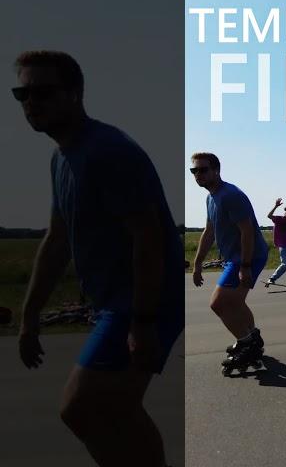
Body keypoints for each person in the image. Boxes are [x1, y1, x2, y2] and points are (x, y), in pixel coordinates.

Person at [13, 51, 183, 467]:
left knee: (82, 406)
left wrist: (143, 322)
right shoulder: (61, 158)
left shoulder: (108, 150)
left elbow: (149, 237)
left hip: (143, 300)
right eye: (22, 93)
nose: (31, 101)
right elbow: (57, 240)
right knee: (110, 411)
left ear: (75, 94)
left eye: (43, 92)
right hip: (117, 302)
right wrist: (30, 315)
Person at [190, 153, 268, 374]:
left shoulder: (231, 195)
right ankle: (253, 337)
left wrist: (245, 266)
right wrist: (197, 265)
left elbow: (247, 231)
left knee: (219, 304)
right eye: (194, 171)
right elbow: (209, 231)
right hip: (236, 258)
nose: (198, 175)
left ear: (216, 170)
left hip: (246, 256)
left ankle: (247, 345)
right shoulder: (211, 197)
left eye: (203, 170)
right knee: (236, 303)